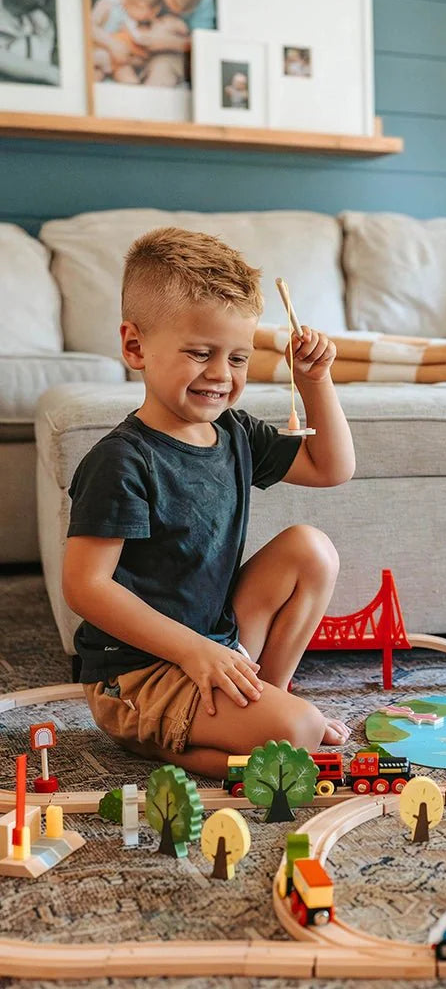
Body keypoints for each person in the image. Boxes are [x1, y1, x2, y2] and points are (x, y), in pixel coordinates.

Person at [63, 227, 355, 782]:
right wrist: (194, 652)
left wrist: (316, 380)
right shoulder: (121, 461)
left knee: (310, 549)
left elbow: (331, 467)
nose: (222, 374)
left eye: (238, 358)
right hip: (138, 676)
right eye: (200, 353)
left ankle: (266, 697)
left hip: (216, 646)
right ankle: (168, 741)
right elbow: (86, 587)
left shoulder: (235, 432)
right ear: (135, 347)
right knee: (298, 732)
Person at [89, 0, 161, 84]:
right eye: (149, 15)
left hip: (117, 62)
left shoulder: (131, 17)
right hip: (97, 51)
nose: (151, 18)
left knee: (130, 80)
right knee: (96, 72)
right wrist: (112, 44)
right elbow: (88, 27)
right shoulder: (110, 3)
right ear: (140, 5)